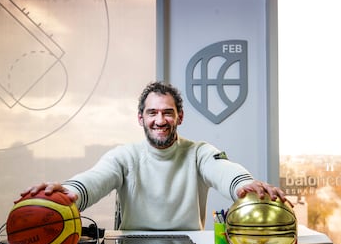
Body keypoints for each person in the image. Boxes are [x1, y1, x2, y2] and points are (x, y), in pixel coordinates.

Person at [21, 81, 289, 230]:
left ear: (179, 117)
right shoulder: (124, 156)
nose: (160, 120)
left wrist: (245, 184)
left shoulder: (199, 153)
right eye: (152, 113)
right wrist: (66, 193)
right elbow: (96, 179)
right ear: (140, 118)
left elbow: (223, 170)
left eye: (167, 112)